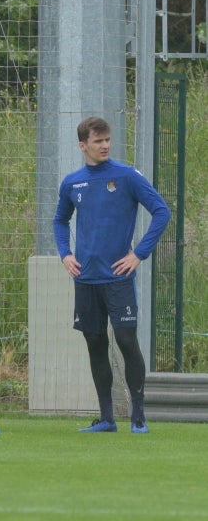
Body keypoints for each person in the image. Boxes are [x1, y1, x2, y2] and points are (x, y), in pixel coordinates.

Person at [54, 116, 170, 434]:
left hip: (118, 278)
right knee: (95, 343)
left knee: (126, 340)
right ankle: (107, 418)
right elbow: (60, 220)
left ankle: (139, 417)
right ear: (83, 145)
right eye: (97, 141)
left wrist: (138, 254)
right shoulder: (72, 182)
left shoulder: (126, 176)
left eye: (107, 140)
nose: (105, 145)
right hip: (86, 279)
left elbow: (162, 210)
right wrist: (65, 254)